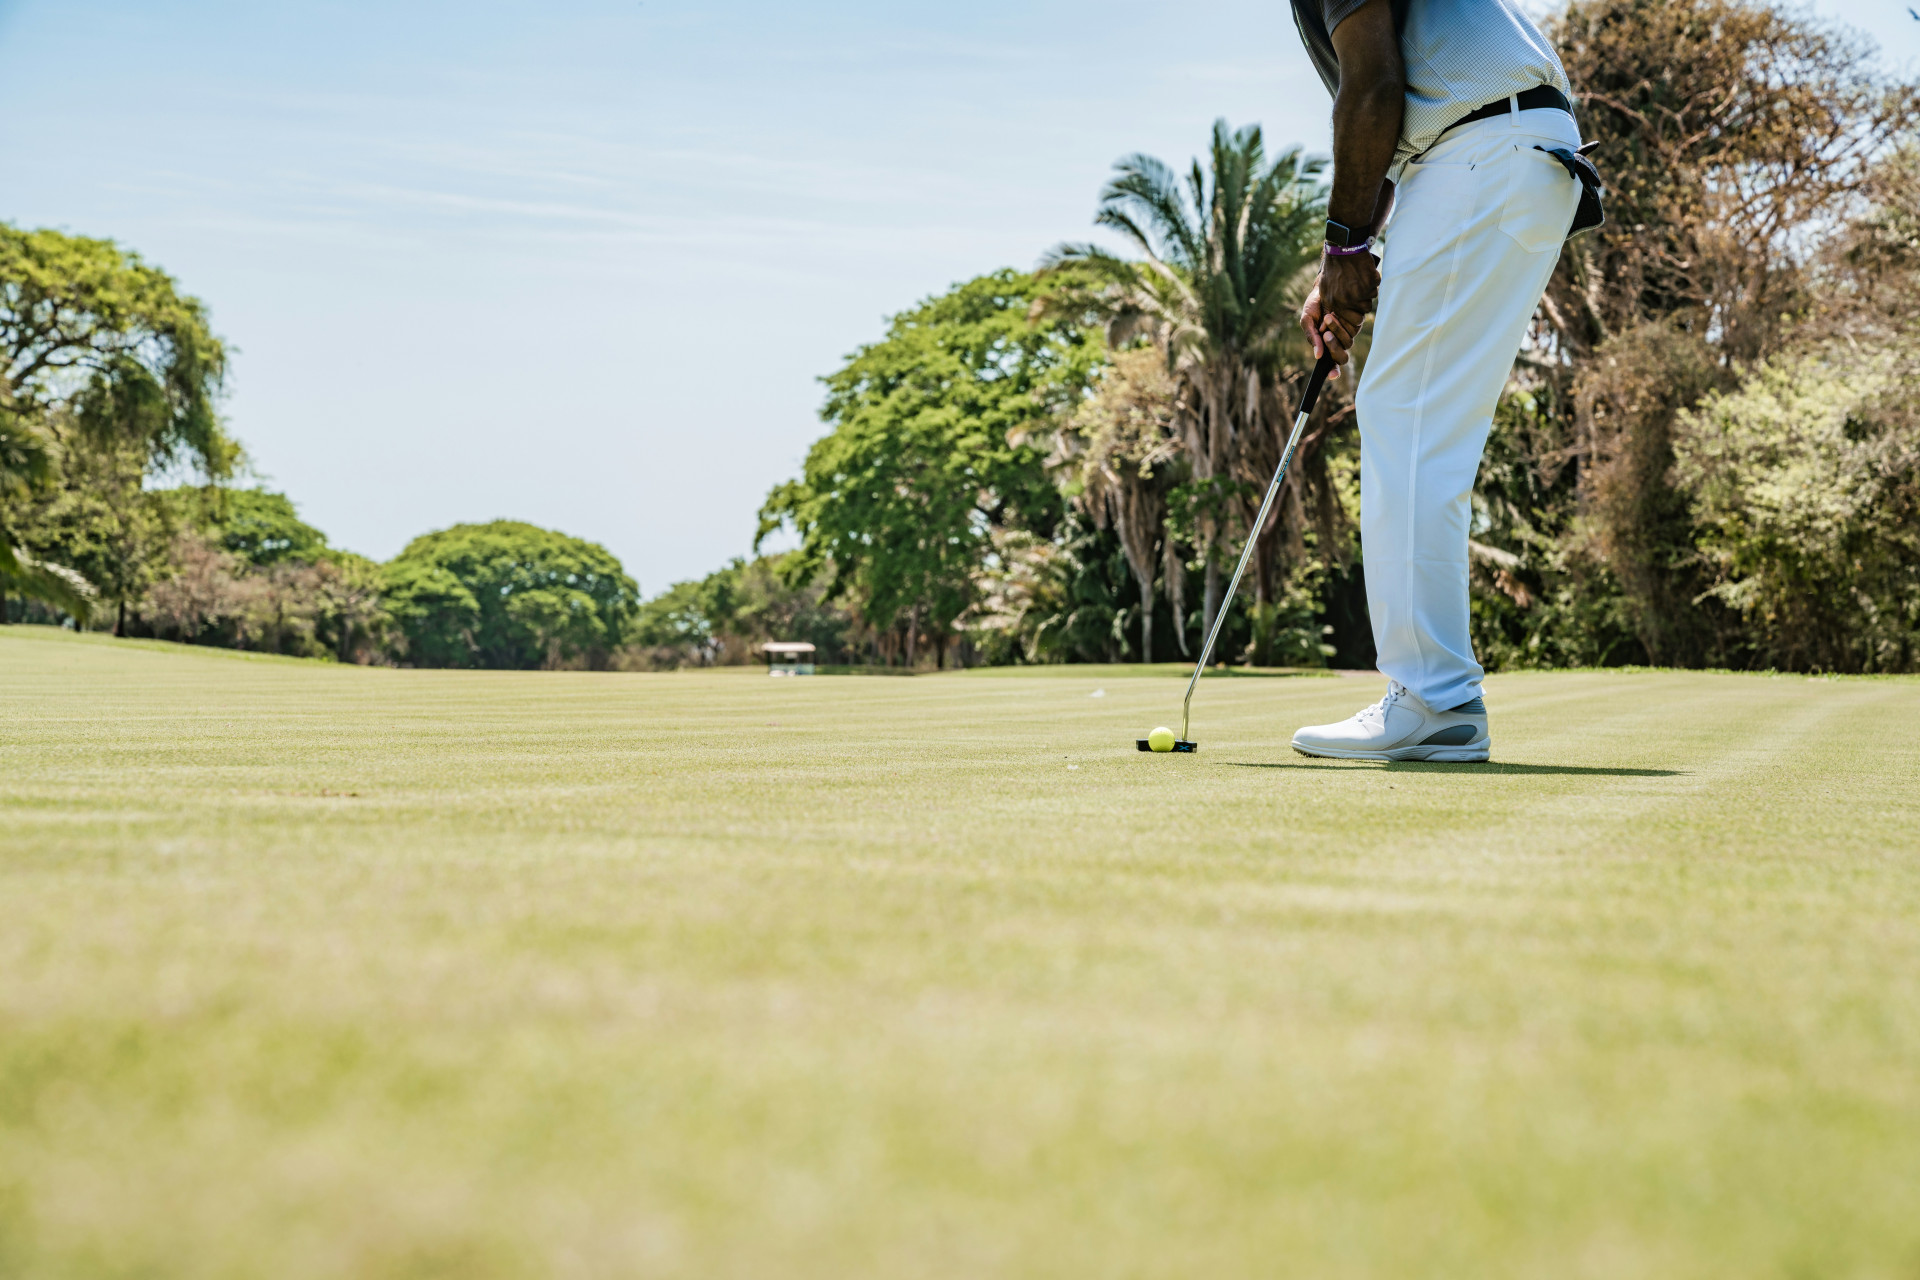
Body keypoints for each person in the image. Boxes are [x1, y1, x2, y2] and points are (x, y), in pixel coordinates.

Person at [1286, 0, 1582, 763]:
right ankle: (1436, 699)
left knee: (1406, 416)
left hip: (1480, 149)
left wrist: (1345, 250)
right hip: (1511, 148)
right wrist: (1347, 254)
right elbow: (1384, 131)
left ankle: (1434, 698)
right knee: (1422, 422)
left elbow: (1375, 86)